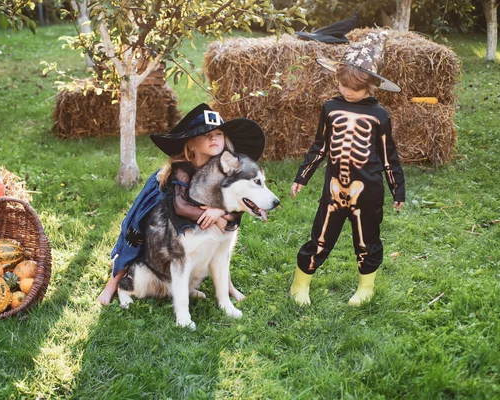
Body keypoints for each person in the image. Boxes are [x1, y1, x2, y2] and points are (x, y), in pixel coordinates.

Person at [98, 103, 266, 305]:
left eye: (218, 133)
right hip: (167, 204)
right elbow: (180, 207)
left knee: (223, 236)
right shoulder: (182, 169)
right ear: (192, 143)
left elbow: (235, 203)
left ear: (226, 140)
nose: (213, 137)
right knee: (137, 231)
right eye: (206, 134)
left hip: (201, 214)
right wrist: (218, 215)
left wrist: (220, 212)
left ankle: (227, 286)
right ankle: (113, 283)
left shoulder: (229, 167)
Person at [289, 31, 405, 307]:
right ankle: (300, 283)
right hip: (334, 188)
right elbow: (321, 146)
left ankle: (366, 287)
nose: (346, 91)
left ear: (371, 86)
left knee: (367, 239)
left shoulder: (379, 115)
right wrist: (302, 177)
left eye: (353, 88)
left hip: (368, 190)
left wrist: (397, 190)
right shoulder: (330, 107)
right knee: (320, 236)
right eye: (343, 85)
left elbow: (389, 156)